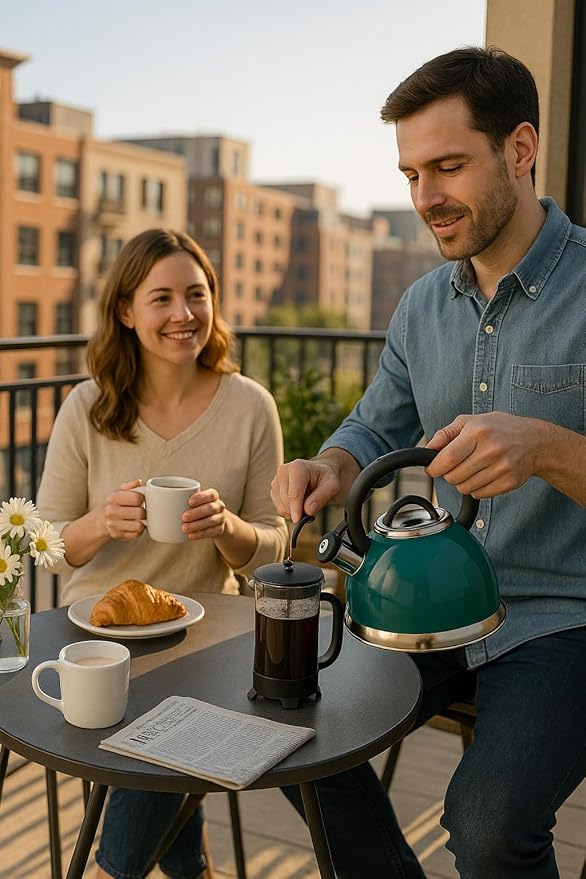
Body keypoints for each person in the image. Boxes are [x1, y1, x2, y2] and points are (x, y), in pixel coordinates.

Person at [272, 46, 586, 879]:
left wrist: (547, 448)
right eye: (411, 173)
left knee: (483, 825)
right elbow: (373, 426)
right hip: (432, 608)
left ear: (520, 150)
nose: (425, 199)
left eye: (448, 166)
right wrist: (331, 465)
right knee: (292, 734)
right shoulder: (420, 305)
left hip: (565, 619)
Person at [37, 228, 288, 879]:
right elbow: (52, 546)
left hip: (208, 633)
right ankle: (180, 868)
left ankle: (119, 868)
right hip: (99, 630)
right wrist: (101, 522)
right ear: (126, 310)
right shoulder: (86, 407)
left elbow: (274, 552)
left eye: (197, 294)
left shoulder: (249, 405)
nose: (184, 314)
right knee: (172, 725)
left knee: (178, 719)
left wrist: (227, 527)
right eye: (163, 298)